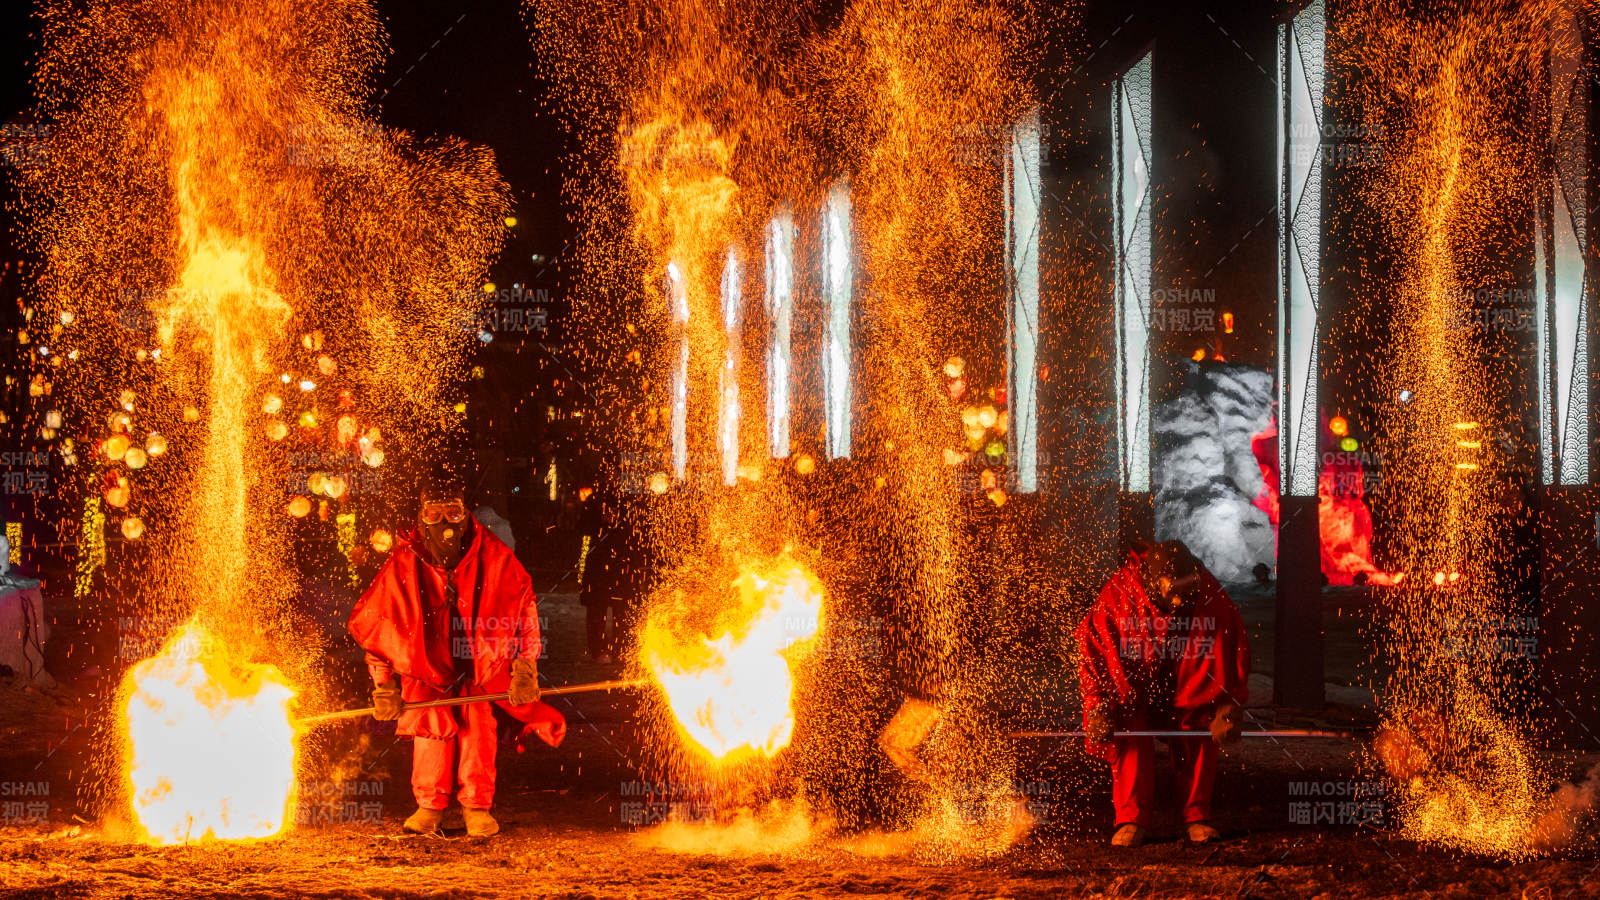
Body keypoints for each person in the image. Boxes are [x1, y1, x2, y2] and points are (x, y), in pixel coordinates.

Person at [349, 475, 566, 838]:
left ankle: (476, 806)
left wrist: (525, 668)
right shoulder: (405, 563)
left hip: (475, 667)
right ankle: (429, 806)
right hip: (426, 669)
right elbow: (380, 626)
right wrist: (383, 686)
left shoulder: (494, 556)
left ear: (466, 515)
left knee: (478, 733)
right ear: (421, 518)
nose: (444, 526)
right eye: (434, 515)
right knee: (430, 735)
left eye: (452, 513)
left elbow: (523, 609)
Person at [1076, 540, 1250, 847]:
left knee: (1200, 728)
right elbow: (1094, 649)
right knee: (1130, 735)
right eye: (1175, 591)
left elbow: (1231, 647)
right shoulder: (1118, 596)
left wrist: (1228, 704)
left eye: (1189, 589)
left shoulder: (1210, 597)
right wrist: (1098, 704)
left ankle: (1198, 815)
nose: (1183, 598)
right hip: (1134, 686)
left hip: (1189, 681)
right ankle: (1131, 818)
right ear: (1155, 583)